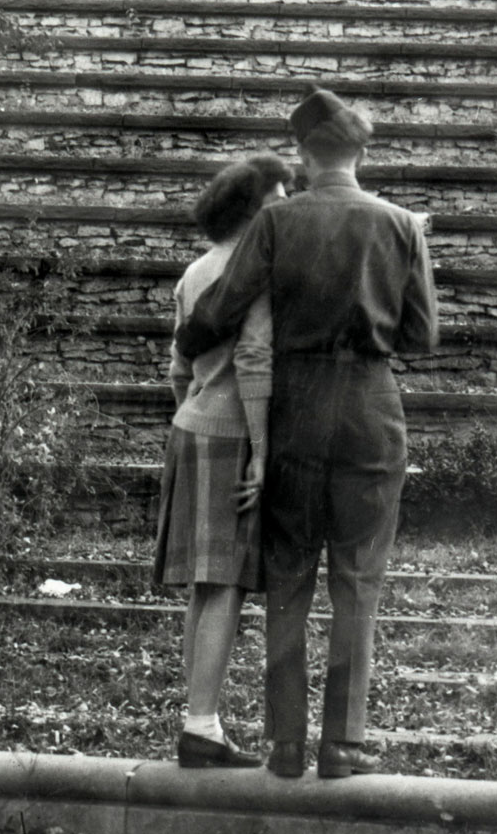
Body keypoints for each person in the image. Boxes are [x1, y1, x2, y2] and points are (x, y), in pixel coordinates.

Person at [175, 88, 438, 781]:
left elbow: (221, 308)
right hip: (370, 409)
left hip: (294, 409)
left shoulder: (276, 222)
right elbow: (421, 336)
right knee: (358, 581)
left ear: (302, 153)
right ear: (360, 150)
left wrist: (191, 337)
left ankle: (286, 744)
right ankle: (342, 745)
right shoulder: (402, 224)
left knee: (288, 578)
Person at [157, 152, 294, 769]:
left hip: (189, 429)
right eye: (281, 197)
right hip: (232, 435)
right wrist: (260, 451)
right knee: (227, 585)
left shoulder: (194, 271)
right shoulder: (253, 273)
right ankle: (201, 726)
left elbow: (178, 370)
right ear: (256, 207)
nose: (289, 207)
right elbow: (256, 362)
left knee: (204, 587)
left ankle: (200, 717)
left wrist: (196, 412)